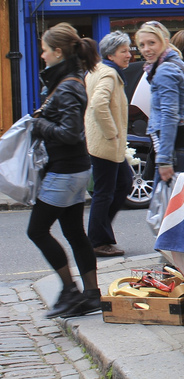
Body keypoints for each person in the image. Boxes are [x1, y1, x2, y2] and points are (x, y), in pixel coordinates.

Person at [27, 22, 102, 318]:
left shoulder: (68, 85)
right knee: (74, 232)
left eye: (45, 50)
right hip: (73, 168)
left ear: (58, 52)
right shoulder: (67, 81)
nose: (42, 55)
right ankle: (91, 294)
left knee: (37, 230)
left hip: (66, 170)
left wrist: (39, 125)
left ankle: (70, 290)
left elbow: (70, 133)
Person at [85, 31, 132, 258]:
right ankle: (97, 240)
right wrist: (112, 133)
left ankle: (100, 233)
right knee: (104, 192)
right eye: (124, 51)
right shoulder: (109, 74)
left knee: (124, 182)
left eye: (129, 50)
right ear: (111, 55)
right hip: (106, 144)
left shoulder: (98, 69)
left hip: (103, 143)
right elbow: (98, 104)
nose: (129, 55)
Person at [136, 21, 184, 183]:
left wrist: (164, 160)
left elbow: (169, 115)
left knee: (168, 199)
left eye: (152, 43)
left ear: (165, 42)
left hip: (175, 150)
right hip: (180, 148)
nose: (146, 49)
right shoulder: (176, 64)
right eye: (142, 45)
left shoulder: (165, 70)